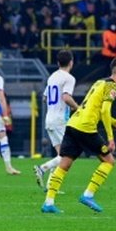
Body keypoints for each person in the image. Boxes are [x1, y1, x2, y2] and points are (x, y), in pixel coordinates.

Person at [41, 57, 116, 214]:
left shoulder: (99, 82)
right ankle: (88, 195)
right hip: (86, 128)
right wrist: (110, 137)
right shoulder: (112, 86)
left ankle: (48, 203)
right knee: (109, 161)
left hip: (73, 124)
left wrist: (113, 121)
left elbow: (93, 107)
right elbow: (104, 110)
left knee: (64, 164)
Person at [33, 50, 78, 188]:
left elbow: (45, 98)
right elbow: (66, 97)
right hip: (60, 120)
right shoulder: (69, 78)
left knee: (61, 154)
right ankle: (42, 168)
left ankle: (51, 187)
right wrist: (77, 107)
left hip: (50, 118)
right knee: (68, 155)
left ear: (58, 63)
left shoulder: (52, 77)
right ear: (71, 62)